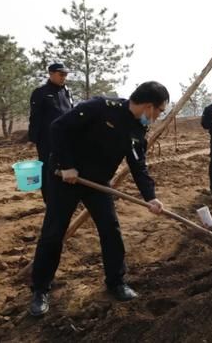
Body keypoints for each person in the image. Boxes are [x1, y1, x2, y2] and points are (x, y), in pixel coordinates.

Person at [28, 81, 169, 317]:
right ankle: (40, 289)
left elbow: (138, 165)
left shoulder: (137, 128)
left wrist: (151, 197)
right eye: (159, 111)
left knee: (110, 229)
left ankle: (116, 281)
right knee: (54, 231)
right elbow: (58, 128)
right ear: (148, 106)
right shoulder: (101, 106)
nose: (157, 117)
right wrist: (67, 166)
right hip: (65, 178)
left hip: (98, 183)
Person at [28, 62, 73, 204]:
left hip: (66, 138)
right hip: (47, 139)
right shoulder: (40, 93)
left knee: (66, 165)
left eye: (65, 74)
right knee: (48, 168)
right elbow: (35, 117)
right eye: (61, 74)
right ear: (51, 73)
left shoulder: (66, 91)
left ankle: (66, 197)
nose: (64, 77)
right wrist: (32, 138)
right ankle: (49, 200)